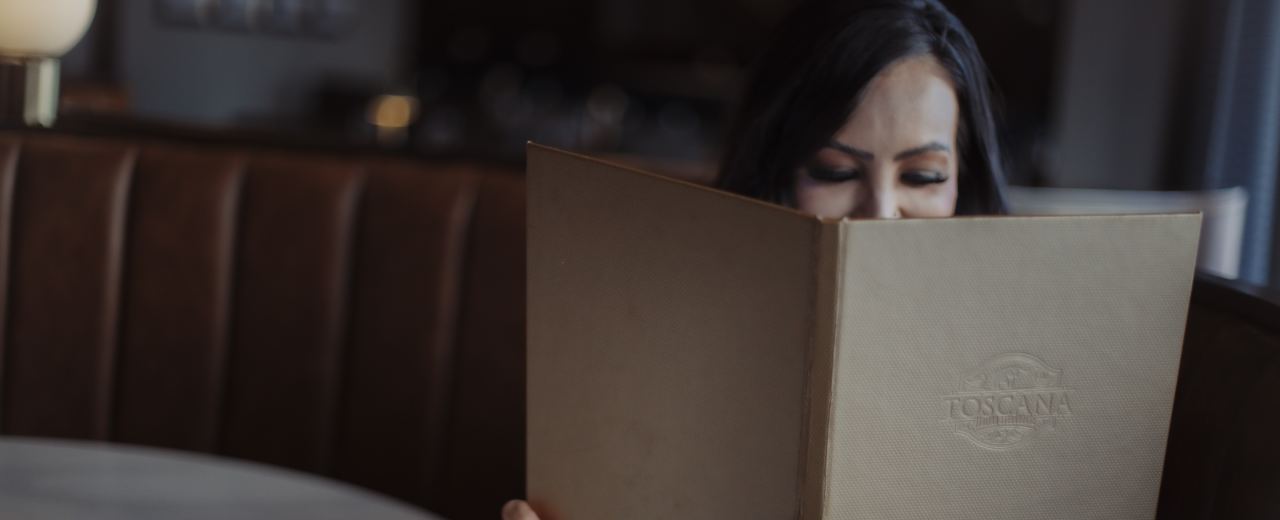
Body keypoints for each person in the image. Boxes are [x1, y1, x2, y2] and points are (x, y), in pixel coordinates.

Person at [505, 0, 1008, 517]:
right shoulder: (663, 326)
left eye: (923, 176)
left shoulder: (1010, 353)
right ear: (778, 168)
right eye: (836, 171)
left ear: (963, 183)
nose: (880, 216)